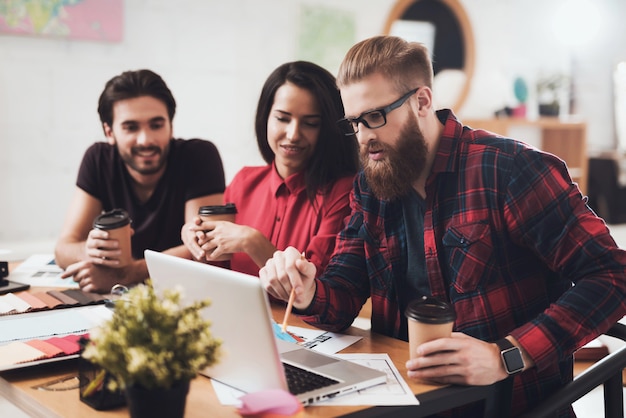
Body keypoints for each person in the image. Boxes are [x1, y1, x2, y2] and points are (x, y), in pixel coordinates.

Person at [259, 36, 626, 417]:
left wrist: (506, 355)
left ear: (422, 101)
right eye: (354, 122)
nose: (365, 136)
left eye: (375, 117)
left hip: (507, 405)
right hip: (410, 400)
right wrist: (305, 290)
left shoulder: (510, 170)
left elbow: (612, 276)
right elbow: (342, 296)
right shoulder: (372, 186)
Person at [55, 69, 225, 293]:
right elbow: (63, 249)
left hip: (183, 294)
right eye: (131, 127)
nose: (146, 140)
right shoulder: (98, 159)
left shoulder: (199, 156)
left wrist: (124, 274)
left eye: (156, 125)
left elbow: (202, 252)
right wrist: (91, 251)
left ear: (170, 126)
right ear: (110, 132)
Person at [181, 61, 359, 276]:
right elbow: (218, 270)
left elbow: (317, 287)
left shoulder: (344, 193)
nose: (293, 134)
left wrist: (252, 242)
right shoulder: (244, 181)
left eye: (310, 123)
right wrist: (197, 239)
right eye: (282, 119)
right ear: (265, 117)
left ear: (329, 128)